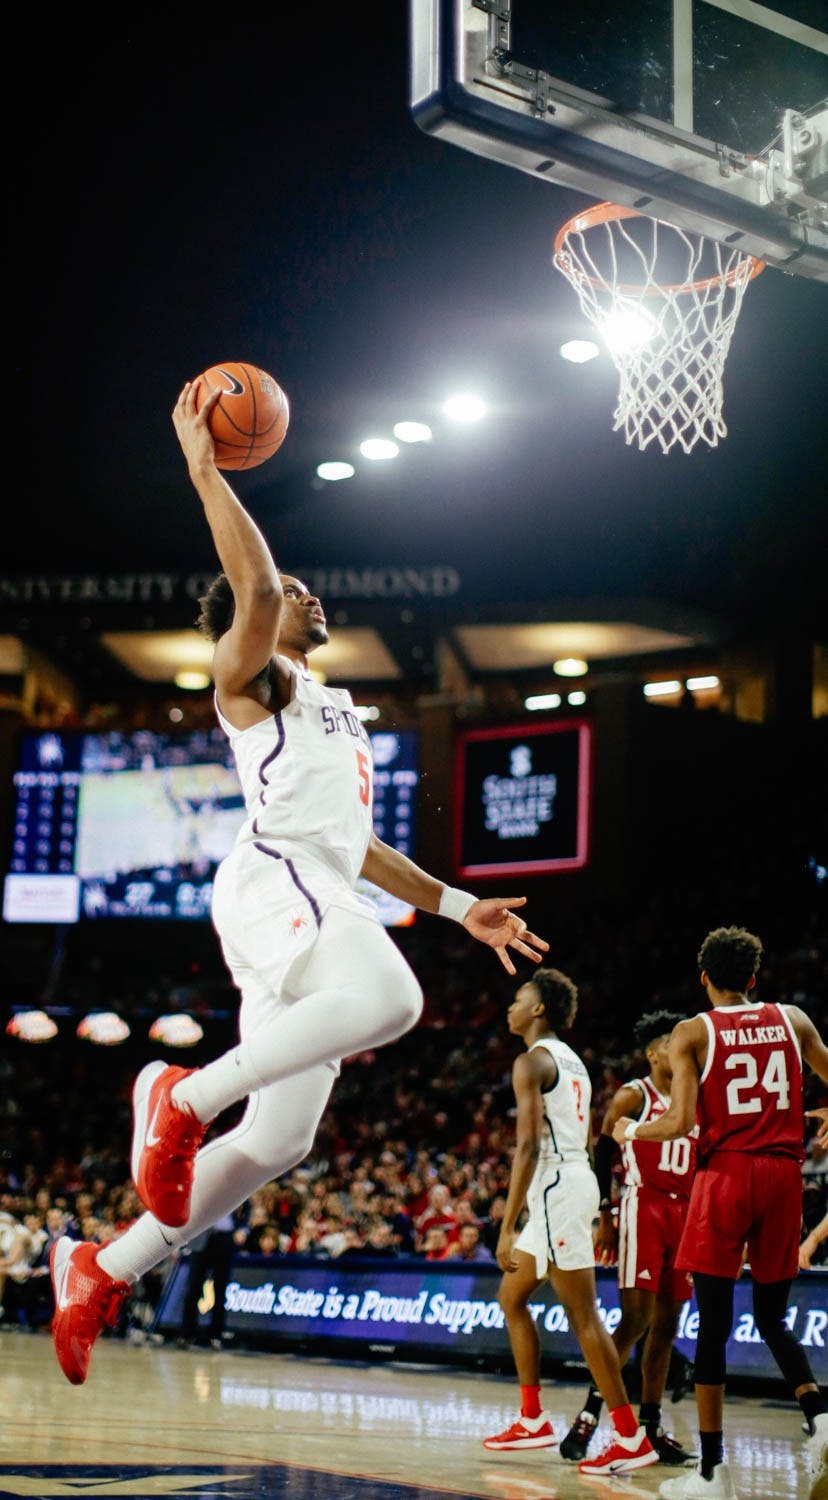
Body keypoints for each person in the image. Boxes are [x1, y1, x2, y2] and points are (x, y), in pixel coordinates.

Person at [48, 377, 548, 1388]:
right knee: (391, 999)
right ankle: (182, 1096)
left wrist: (456, 906)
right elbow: (263, 592)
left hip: (316, 887)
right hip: (275, 879)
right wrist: (202, 468)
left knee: (279, 1139)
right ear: (248, 622)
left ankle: (103, 1265)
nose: (308, 598)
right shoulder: (255, 683)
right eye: (286, 595)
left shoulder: (331, 707)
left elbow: (360, 847)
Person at [612, 925, 828, 1500]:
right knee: (773, 1315)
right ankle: (823, 1421)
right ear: (755, 979)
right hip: (784, 1176)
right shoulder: (794, 1020)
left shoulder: (693, 1032)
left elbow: (680, 1123)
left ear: (703, 977)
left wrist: (631, 1129)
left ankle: (713, 1473)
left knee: (711, 1324)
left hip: (727, 1173)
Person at [482, 969, 658, 1477]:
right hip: (567, 1184)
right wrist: (595, 1205)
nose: (510, 1006)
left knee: (584, 1318)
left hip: (557, 1186)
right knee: (511, 1298)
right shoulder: (571, 1059)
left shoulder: (531, 1061)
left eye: (519, 998)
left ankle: (629, 1437)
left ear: (538, 1009)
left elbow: (531, 1146)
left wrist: (507, 1224)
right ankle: (533, 1419)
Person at [562, 1010, 697, 1466]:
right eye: (668, 1045)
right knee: (634, 1321)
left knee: (666, 1327)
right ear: (652, 1053)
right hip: (644, 1205)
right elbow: (602, 1154)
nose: (678, 1052)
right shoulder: (632, 1095)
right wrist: (605, 1214)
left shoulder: (695, 1095)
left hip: (685, 1211)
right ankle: (589, 1416)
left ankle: (650, 1428)